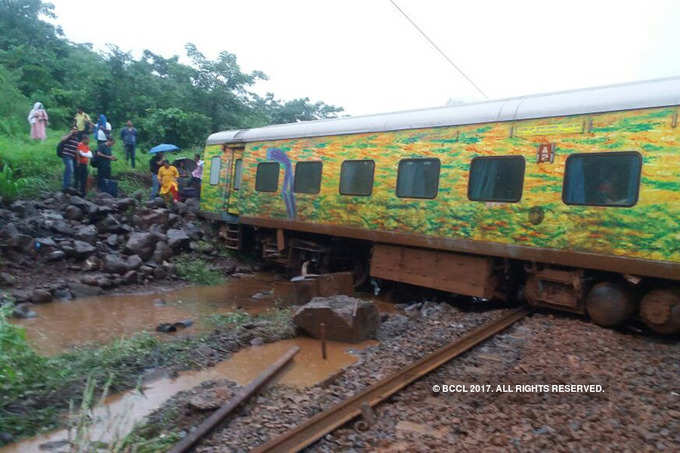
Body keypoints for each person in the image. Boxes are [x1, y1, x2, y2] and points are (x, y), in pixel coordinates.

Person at [58, 127, 80, 192]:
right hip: (66, 155)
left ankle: (67, 186)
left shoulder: (77, 139)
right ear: (71, 130)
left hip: (72, 157)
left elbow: (76, 150)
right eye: (74, 129)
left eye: (76, 130)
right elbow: (62, 139)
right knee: (70, 169)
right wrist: (70, 133)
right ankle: (66, 186)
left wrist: (78, 159)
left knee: (69, 170)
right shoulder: (68, 136)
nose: (75, 131)